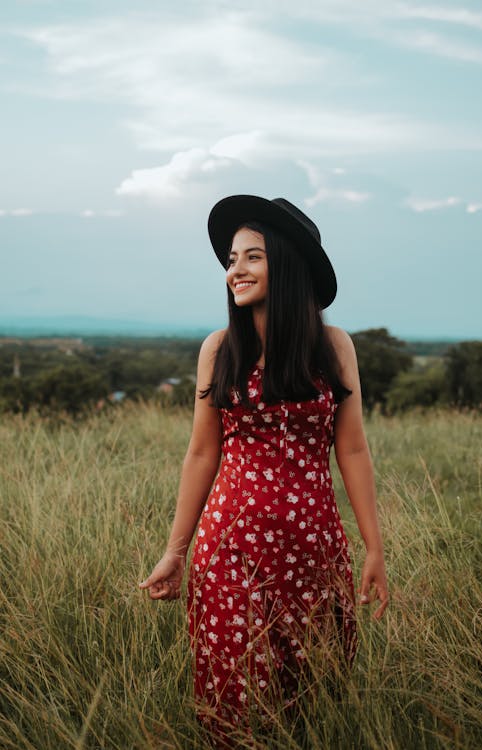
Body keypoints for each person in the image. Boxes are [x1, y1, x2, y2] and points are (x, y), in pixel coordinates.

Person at [139, 195, 389, 743]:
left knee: (315, 704)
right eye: (232, 259)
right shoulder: (220, 348)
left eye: (252, 257)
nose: (235, 271)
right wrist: (174, 553)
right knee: (233, 709)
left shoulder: (333, 346)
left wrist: (373, 547)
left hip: (314, 553)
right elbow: (202, 453)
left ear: (288, 262)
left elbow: (351, 450)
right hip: (229, 550)